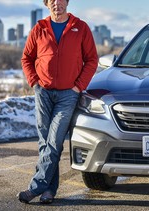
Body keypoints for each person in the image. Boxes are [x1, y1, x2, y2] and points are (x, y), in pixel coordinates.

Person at [18, 0, 98, 204]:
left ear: (67, 2)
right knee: (45, 142)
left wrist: (78, 86)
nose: (57, 3)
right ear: (47, 4)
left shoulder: (80, 27)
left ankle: (35, 187)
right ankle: (49, 191)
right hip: (43, 92)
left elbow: (91, 60)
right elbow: (27, 57)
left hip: (68, 95)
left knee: (53, 141)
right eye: (52, 0)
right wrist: (34, 82)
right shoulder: (40, 28)